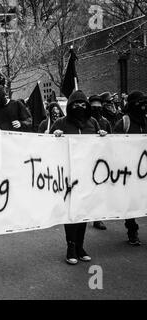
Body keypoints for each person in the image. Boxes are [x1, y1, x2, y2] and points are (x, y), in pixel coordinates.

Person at [50, 90, 106, 265]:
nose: (80, 107)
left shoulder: (93, 123)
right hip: (68, 176)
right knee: (71, 213)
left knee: (83, 212)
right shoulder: (61, 122)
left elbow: (102, 150)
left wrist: (103, 137)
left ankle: (81, 246)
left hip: (88, 176)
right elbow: (46, 147)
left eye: (83, 104)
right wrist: (55, 136)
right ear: (70, 107)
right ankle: (71, 247)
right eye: (76, 104)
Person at [114, 90, 147, 246]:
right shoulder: (124, 122)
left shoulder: (145, 121)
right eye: (139, 103)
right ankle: (132, 231)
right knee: (130, 202)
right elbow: (113, 145)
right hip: (128, 171)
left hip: (144, 170)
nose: (143, 107)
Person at [88, 94, 112, 231]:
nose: (96, 109)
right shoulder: (86, 121)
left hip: (101, 161)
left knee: (99, 190)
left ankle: (97, 218)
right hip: (86, 159)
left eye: (98, 106)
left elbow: (111, 140)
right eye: (93, 107)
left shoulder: (105, 122)